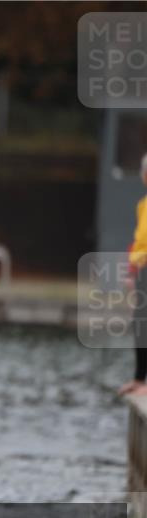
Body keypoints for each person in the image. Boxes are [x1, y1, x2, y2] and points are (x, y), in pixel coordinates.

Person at [120, 153, 147, 397]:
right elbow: (138, 243)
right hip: (142, 270)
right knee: (139, 324)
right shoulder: (143, 206)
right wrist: (131, 272)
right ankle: (139, 379)